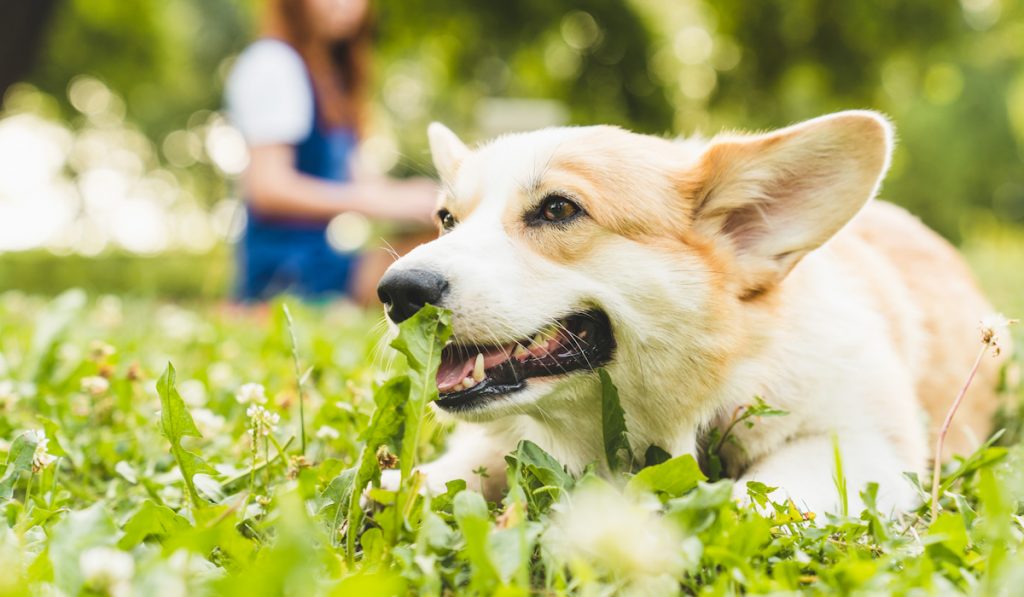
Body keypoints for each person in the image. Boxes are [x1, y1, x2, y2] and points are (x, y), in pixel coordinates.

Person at [225, 0, 436, 302]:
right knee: (425, 268)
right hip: (285, 274)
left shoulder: (332, 78)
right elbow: (267, 187)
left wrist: (420, 198)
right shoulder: (273, 63)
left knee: (439, 248)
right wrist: (377, 202)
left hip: (327, 262)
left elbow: (360, 181)